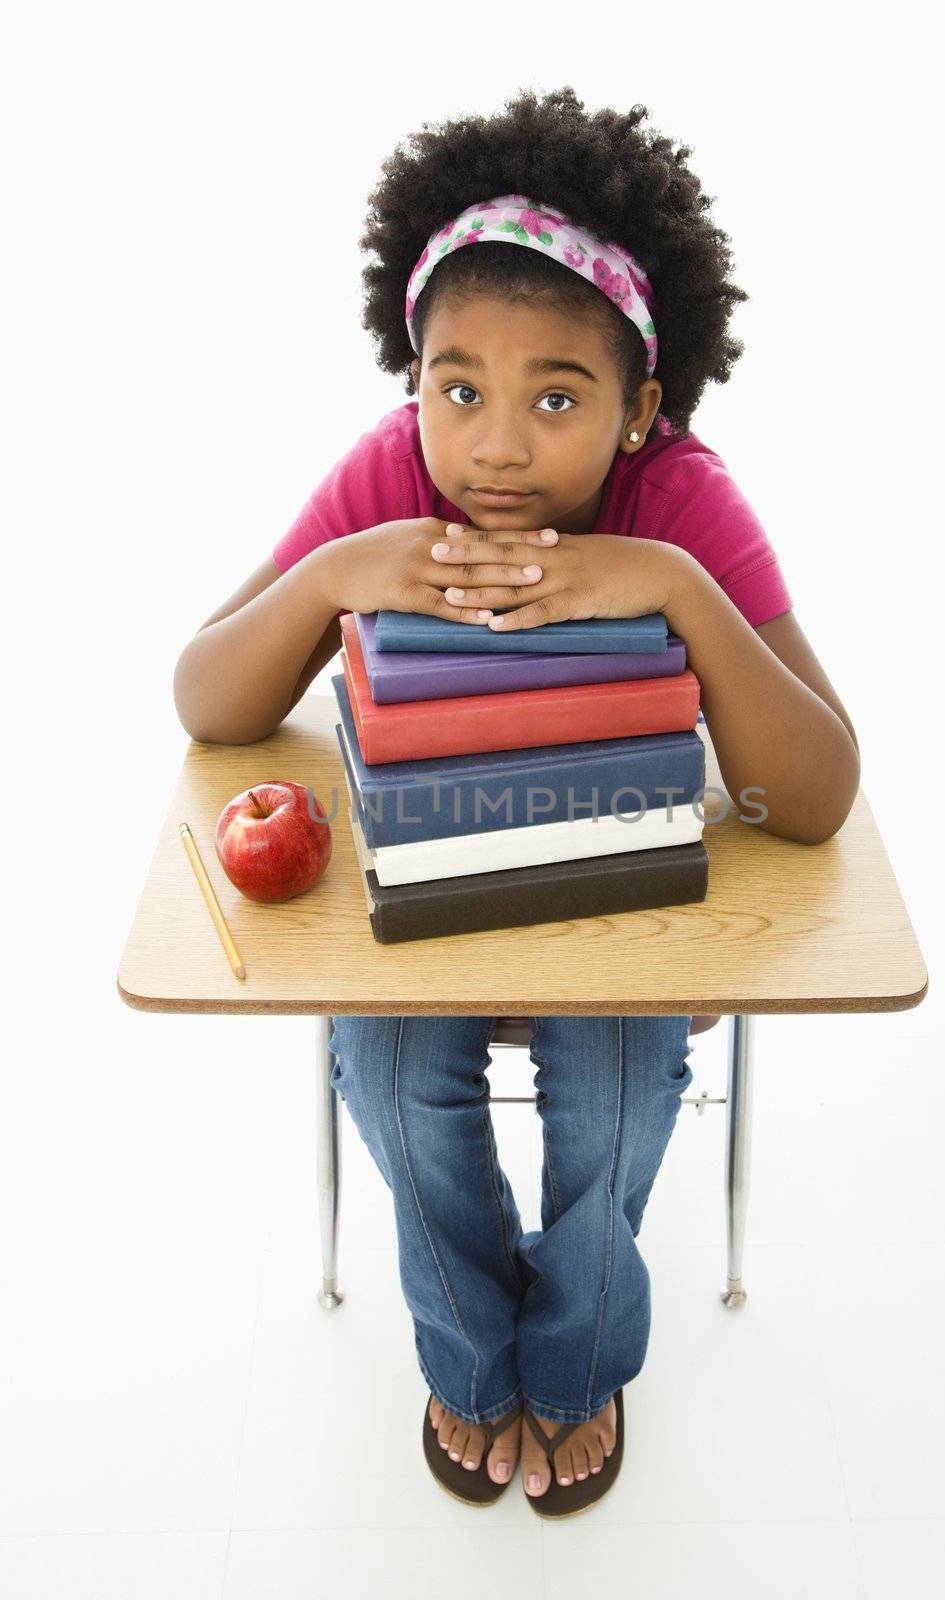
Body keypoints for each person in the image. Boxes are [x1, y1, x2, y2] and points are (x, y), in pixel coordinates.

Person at [173, 85, 861, 1515]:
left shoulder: (682, 501)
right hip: (418, 908)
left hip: (623, 919)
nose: (493, 447)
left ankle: (577, 1358)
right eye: (458, 388)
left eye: (557, 396)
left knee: (613, 1085)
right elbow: (208, 699)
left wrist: (675, 589)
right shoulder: (389, 476)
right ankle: (472, 1362)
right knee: (389, 1070)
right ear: (412, 385)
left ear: (637, 414)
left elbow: (818, 792)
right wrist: (327, 578)